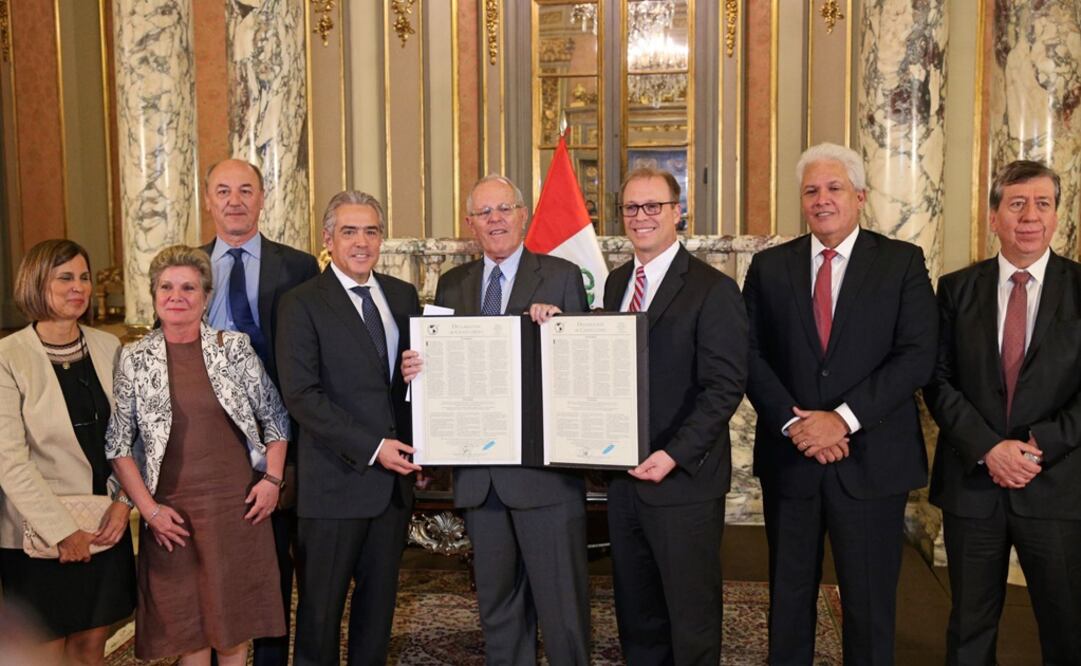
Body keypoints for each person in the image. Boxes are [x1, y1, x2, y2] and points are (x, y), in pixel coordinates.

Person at [743, 142, 937, 664]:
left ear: (860, 196)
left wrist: (842, 421)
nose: (821, 200)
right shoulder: (769, 267)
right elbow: (750, 354)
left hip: (871, 460)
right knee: (788, 596)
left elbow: (917, 355)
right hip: (792, 458)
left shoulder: (900, 263)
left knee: (870, 601)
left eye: (833, 188)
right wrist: (795, 425)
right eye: (811, 191)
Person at [401, 174, 591, 664]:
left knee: (562, 610)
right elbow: (444, 375)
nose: (496, 220)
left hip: (543, 476)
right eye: (484, 213)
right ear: (470, 225)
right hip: (480, 478)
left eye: (504, 208)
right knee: (498, 607)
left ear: (523, 214)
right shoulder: (454, 284)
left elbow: (583, 372)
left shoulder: (561, 276)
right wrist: (416, 369)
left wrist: (561, 331)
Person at [925, 160, 1081, 664]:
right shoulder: (956, 289)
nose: (1029, 216)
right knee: (970, 629)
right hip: (974, 486)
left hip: (1057, 488)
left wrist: (1039, 448)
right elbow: (937, 379)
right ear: (994, 217)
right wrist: (989, 448)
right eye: (1016, 204)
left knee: (1067, 627)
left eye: (1042, 204)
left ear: (1057, 215)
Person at [106, 245, 289, 665]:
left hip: (237, 510)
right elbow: (118, 444)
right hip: (171, 515)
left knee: (232, 629)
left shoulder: (234, 348)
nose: (177, 295)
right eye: (166, 287)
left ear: (206, 296)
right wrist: (149, 511)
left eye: (189, 287)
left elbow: (275, 418)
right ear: (154, 295)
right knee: (188, 629)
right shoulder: (134, 358)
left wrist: (273, 481)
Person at [601, 167, 748, 664]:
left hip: (682, 481)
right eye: (631, 208)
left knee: (690, 615)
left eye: (653, 207)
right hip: (622, 479)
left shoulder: (713, 289)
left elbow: (723, 388)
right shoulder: (616, 283)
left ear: (678, 212)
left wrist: (673, 455)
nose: (641, 217)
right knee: (637, 613)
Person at [276, 191, 421, 666]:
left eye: (371, 231)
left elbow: (407, 388)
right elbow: (302, 396)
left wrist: (424, 445)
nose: (362, 242)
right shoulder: (301, 303)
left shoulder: (402, 296)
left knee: (377, 614)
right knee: (320, 616)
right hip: (335, 484)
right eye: (349, 231)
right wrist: (375, 447)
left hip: (392, 487)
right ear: (327, 239)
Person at [200, 158, 319, 666]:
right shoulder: (188, 267)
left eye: (245, 190)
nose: (234, 201)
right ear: (208, 200)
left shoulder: (299, 266)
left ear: (262, 197)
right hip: (207, 444)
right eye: (223, 191)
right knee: (210, 566)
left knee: (274, 565)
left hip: (280, 439)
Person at [0, 239, 136, 665]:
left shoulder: (107, 346)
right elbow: (9, 459)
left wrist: (121, 504)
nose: (78, 287)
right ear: (37, 284)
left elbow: (128, 437)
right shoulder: (8, 356)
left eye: (83, 277)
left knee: (89, 651)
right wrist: (61, 531)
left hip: (103, 526)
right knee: (43, 656)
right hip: (37, 536)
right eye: (64, 278)